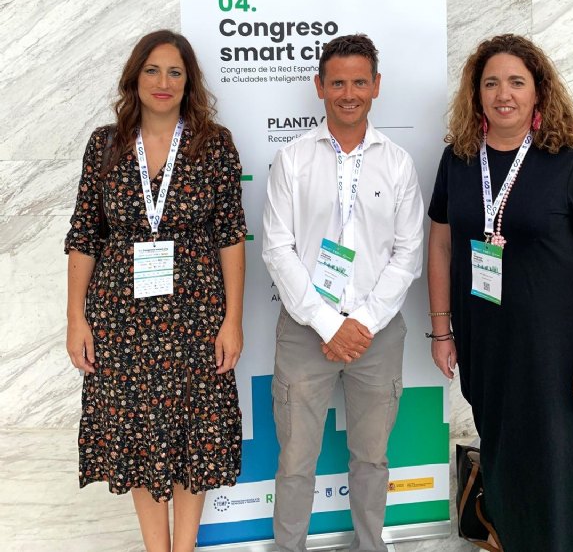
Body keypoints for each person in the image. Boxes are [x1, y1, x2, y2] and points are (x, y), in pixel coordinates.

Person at [427, 34, 573, 552]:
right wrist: (442, 330)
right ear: (476, 93)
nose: (503, 94)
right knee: (507, 466)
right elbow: (441, 245)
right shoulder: (458, 160)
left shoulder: (568, 160)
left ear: (538, 92)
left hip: (556, 356)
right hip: (486, 348)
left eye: (516, 82)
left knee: (561, 472)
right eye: (491, 83)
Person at [65, 29, 246, 552]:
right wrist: (76, 318)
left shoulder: (214, 144)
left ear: (189, 82)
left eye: (174, 72)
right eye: (152, 70)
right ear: (135, 78)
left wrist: (232, 320)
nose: (162, 82)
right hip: (120, 320)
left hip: (196, 316)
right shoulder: (105, 144)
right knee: (138, 434)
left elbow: (230, 235)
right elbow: (85, 235)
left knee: (194, 434)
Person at [262, 34, 424, 552]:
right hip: (306, 331)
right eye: (337, 83)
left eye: (359, 82)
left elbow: (408, 254)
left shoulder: (397, 163)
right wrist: (330, 325)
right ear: (319, 86)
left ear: (376, 86)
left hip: (377, 334)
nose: (348, 93)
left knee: (372, 458)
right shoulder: (292, 159)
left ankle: (370, 545)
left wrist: (362, 323)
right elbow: (277, 249)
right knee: (295, 461)